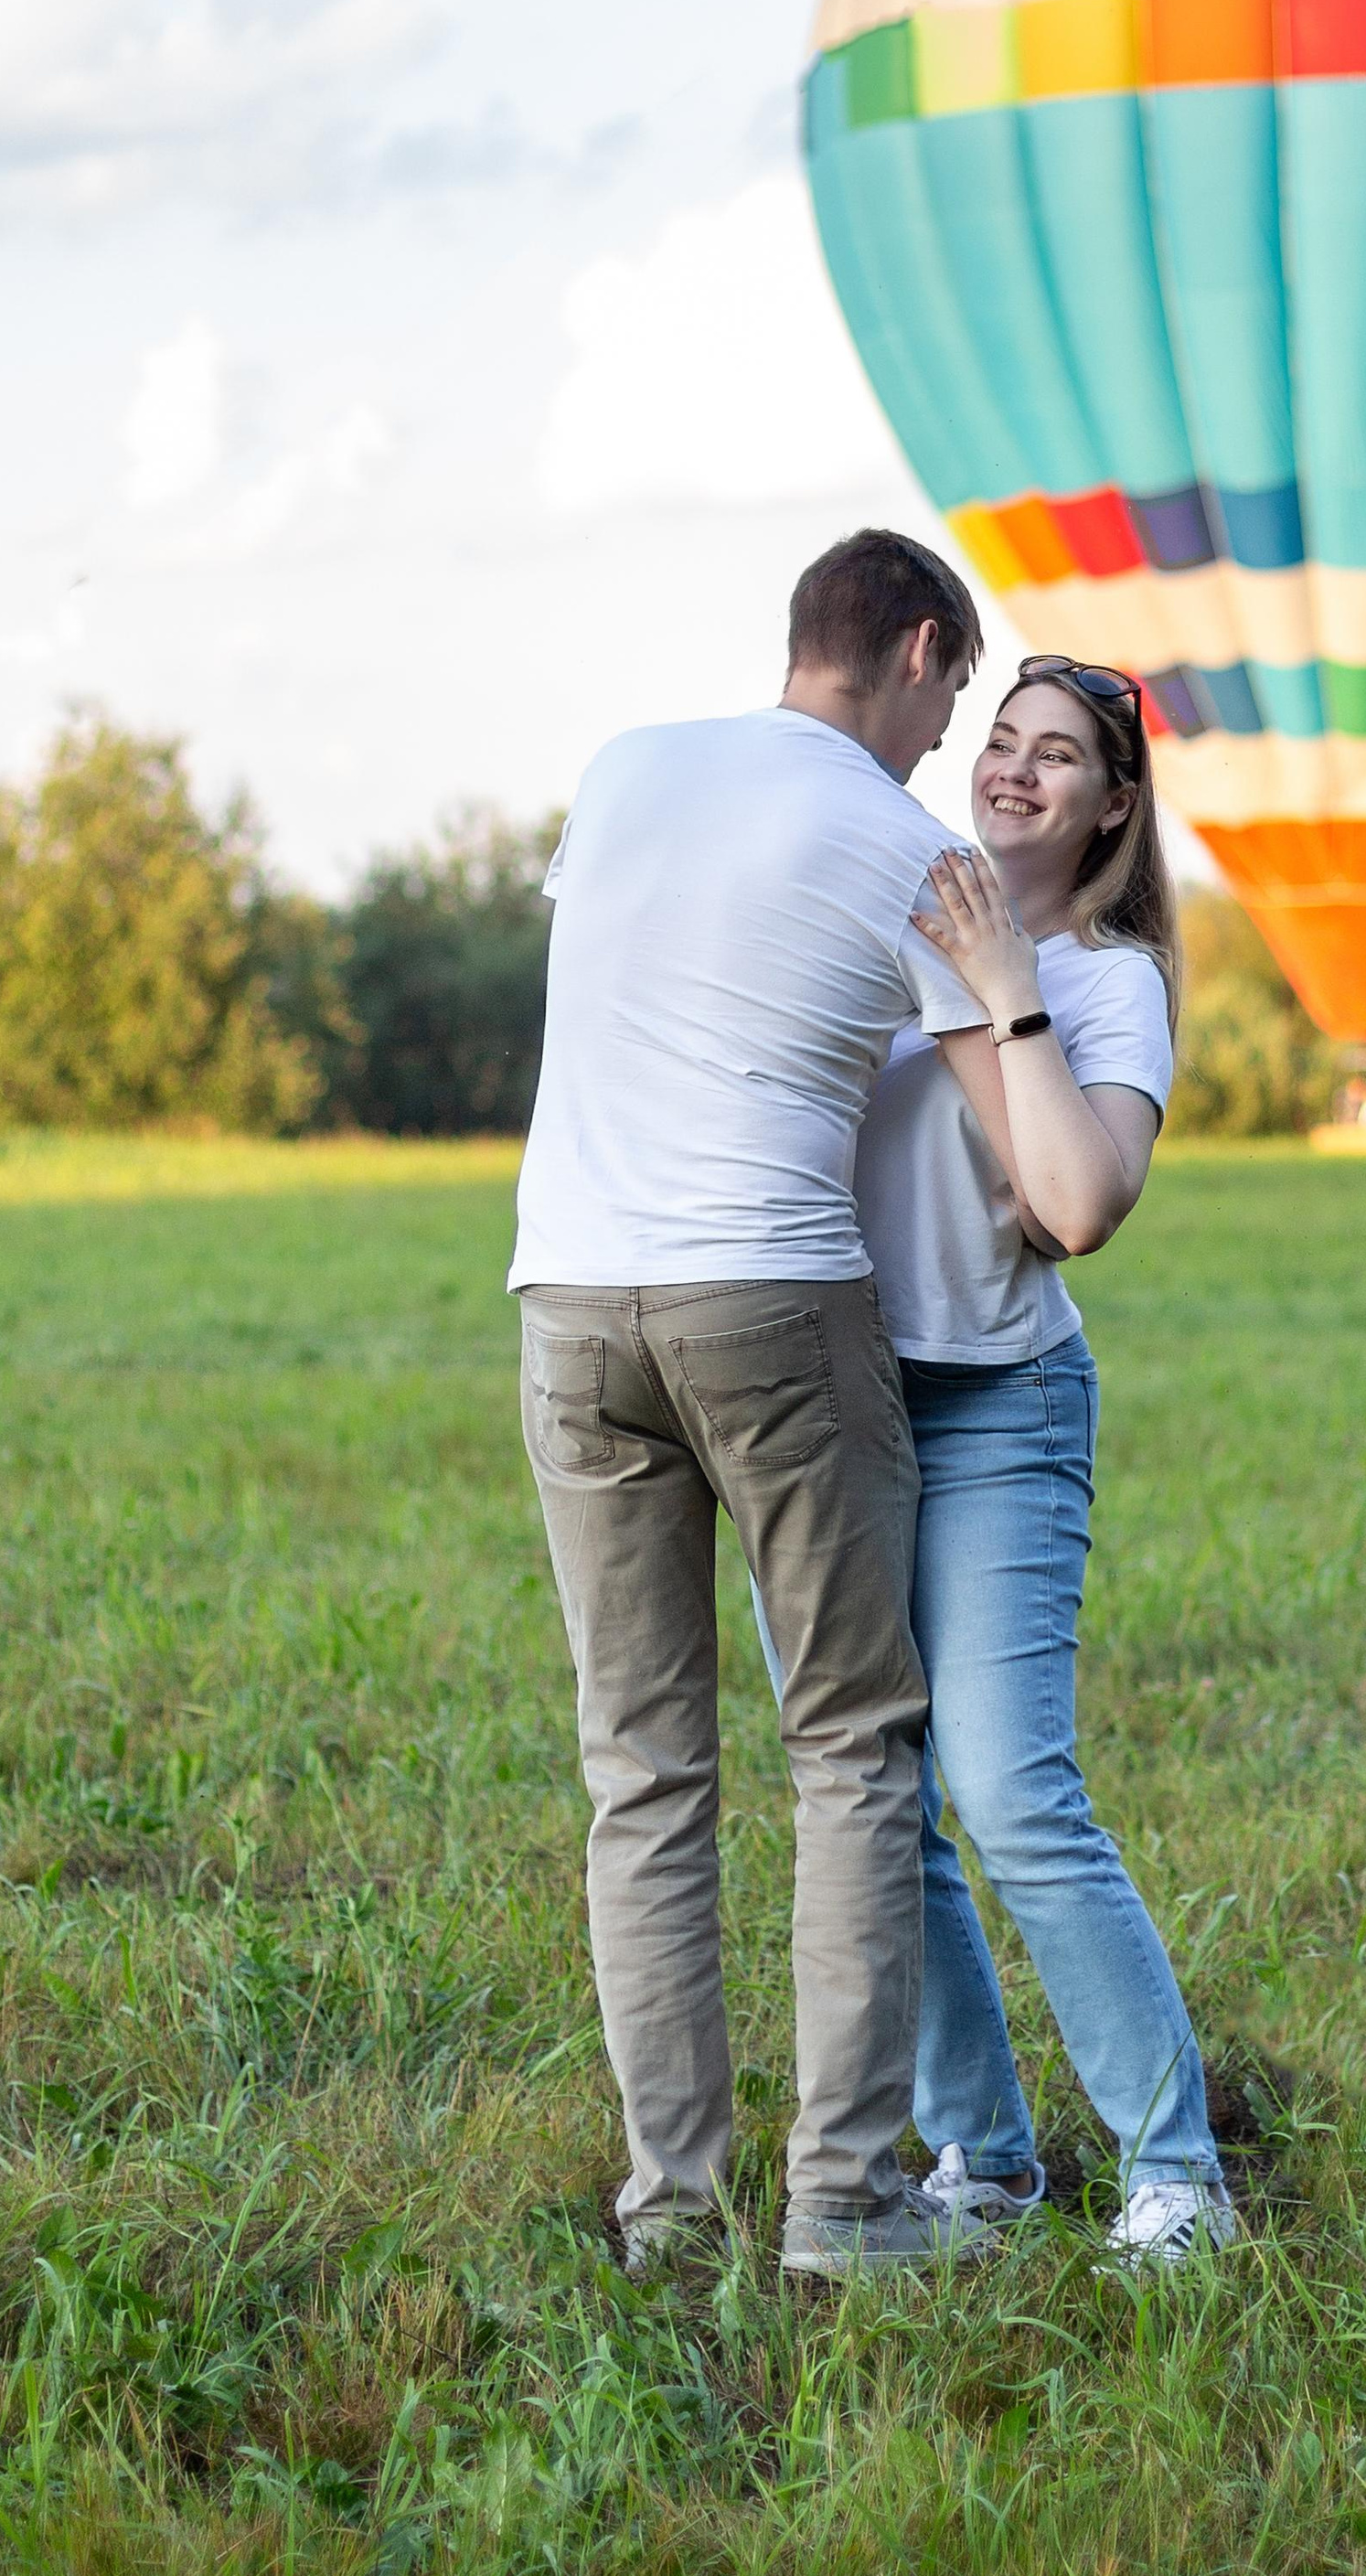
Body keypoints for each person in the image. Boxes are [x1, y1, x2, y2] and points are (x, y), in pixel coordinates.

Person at [511, 529, 1008, 2282]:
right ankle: (847, 2208)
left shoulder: (626, 768)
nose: (953, 734)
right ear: (926, 649)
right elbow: (1004, 1118)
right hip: (772, 1297)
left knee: (641, 1773)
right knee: (856, 1746)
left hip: (568, 1298)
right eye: (954, 694)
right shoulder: (915, 845)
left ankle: (670, 2217)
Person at [763, 654, 1237, 2265]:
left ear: (1116, 801)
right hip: (833, 1399)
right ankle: (983, 2155)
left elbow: (1073, 1208)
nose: (1016, 772)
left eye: (1060, 757)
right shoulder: (869, 920)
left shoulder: (1105, 983)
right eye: (1001, 742)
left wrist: (991, 981)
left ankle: (1177, 2173)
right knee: (872, 1799)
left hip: (998, 1409)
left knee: (1011, 1790)